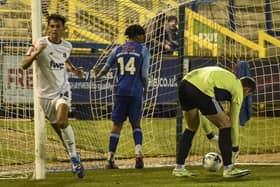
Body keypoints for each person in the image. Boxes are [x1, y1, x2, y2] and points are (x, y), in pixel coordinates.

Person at [21, 14, 85, 178]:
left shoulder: (67, 46)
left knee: (63, 121)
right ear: (48, 28)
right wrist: (37, 52)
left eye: (58, 26)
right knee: (59, 128)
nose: (55, 29)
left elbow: (66, 59)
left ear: (63, 29)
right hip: (44, 95)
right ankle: (74, 154)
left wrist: (73, 70)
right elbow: (24, 65)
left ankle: (73, 158)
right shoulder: (39, 43)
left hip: (62, 91)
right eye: (52, 26)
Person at [172, 66, 256, 178]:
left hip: (185, 84)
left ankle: (179, 168)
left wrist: (210, 135)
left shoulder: (227, 79)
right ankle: (229, 169)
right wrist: (235, 147)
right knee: (226, 124)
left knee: (191, 127)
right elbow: (234, 121)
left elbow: (203, 111)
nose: (245, 96)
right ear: (246, 90)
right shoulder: (238, 89)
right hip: (201, 89)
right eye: (247, 95)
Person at [94, 24, 150, 169]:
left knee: (117, 124)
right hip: (135, 90)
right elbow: (144, 74)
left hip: (120, 90)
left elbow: (106, 67)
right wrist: (146, 87)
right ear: (137, 35)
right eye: (143, 34)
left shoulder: (117, 50)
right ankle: (138, 154)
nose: (145, 37)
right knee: (136, 123)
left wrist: (98, 76)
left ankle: (110, 159)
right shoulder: (143, 50)